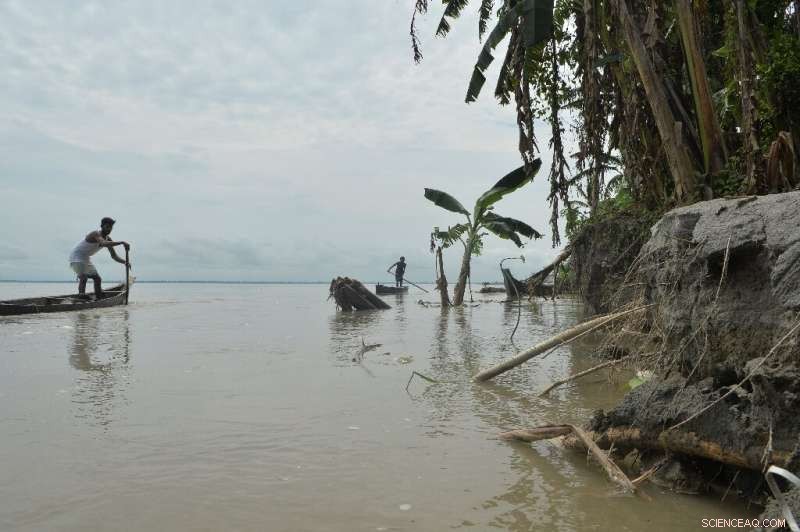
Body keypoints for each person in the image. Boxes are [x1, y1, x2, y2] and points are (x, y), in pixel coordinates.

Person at [69, 217, 130, 298]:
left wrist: (125, 262)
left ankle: (99, 296)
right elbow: (103, 243)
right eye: (107, 227)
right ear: (102, 226)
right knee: (83, 277)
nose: (109, 229)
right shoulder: (96, 234)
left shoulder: (108, 239)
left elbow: (114, 256)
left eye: (111, 227)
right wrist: (121, 242)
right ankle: (81, 297)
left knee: (97, 279)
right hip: (76, 256)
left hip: (85, 258)